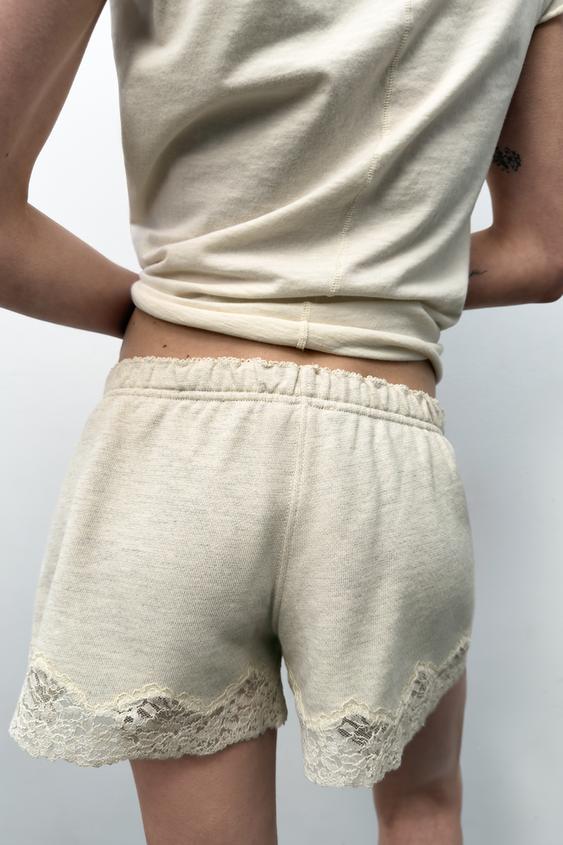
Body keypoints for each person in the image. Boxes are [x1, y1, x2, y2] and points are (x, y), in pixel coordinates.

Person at [2, 1, 562, 843]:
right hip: (384, 445)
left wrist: (176, 311)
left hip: (172, 446)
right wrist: (380, 285)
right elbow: (543, 250)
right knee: (422, 808)